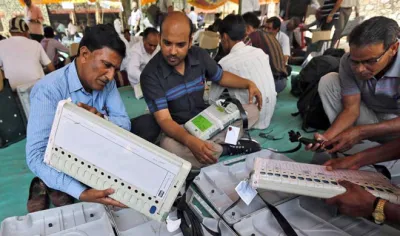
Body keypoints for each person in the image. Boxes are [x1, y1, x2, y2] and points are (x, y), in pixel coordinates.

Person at [25, 24, 129, 213]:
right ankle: (48, 184)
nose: (111, 76)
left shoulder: (108, 82)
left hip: (96, 153)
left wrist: (102, 121)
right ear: (84, 54)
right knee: (58, 178)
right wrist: (81, 193)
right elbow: (35, 155)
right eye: (107, 65)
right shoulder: (49, 90)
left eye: (115, 69)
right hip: (65, 156)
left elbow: (123, 122)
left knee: (145, 126)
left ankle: (56, 185)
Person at [140, 12, 263, 168]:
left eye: (180, 45)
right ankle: (225, 147)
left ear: (190, 41)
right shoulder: (150, 75)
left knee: (251, 111)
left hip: (207, 119)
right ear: (159, 38)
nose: (172, 51)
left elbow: (221, 77)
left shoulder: (199, 55)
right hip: (180, 130)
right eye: (167, 43)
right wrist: (190, 141)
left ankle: (215, 147)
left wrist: (248, 83)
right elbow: (165, 120)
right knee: (168, 147)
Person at [307, 17, 400, 159]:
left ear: (393, 48)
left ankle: (383, 153)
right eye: (355, 61)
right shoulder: (347, 61)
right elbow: (351, 109)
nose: (360, 69)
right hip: (369, 116)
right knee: (329, 81)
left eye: (370, 61)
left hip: (395, 125)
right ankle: (357, 147)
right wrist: (326, 138)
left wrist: (361, 132)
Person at [210, 14, 276, 130]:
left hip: (249, 120)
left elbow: (212, 99)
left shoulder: (225, 63)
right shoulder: (260, 53)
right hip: (268, 116)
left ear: (224, 37)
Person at [0, 17, 54, 91]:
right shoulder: (35, 44)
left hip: (15, 91)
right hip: (39, 88)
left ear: (10, 32)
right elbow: (50, 66)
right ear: (25, 31)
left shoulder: (1, 45)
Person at [242, 12, 288, 93]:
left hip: (274, 83)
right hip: (282, 80)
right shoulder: (268, 36)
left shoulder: (252, 37)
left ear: (248, 28)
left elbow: (239, 56)